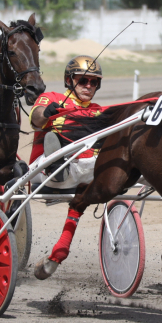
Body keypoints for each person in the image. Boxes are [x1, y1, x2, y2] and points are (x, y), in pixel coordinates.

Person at [30, 56, 105, 280]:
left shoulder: (99, 110)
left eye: (94, 82)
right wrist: (47, 113)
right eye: (83, 80)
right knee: (57, 148)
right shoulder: (51, 98)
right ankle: (57, 159)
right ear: (69, 80)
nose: (89, 86)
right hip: (45, 172)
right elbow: (35, 121)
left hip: (87, 172)